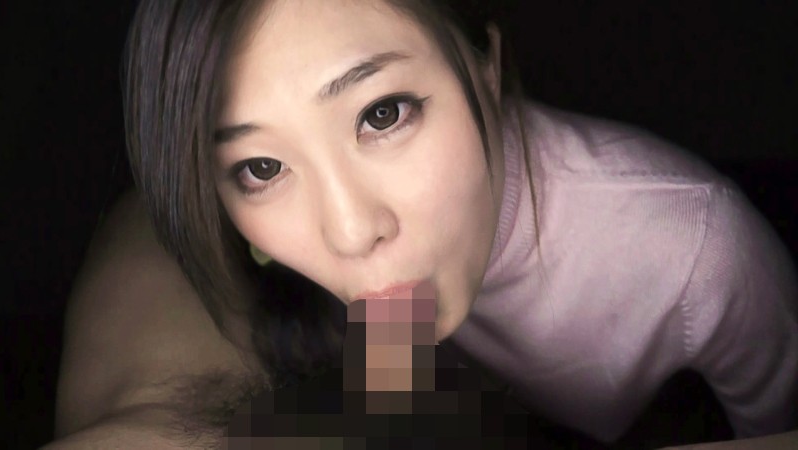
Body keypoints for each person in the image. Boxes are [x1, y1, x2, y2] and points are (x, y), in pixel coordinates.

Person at [47, 0, 798, 448]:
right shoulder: (371, 278)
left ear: (485, 64)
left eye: (382, 114)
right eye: (262, 168)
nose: (350, 230)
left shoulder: (698, 246)